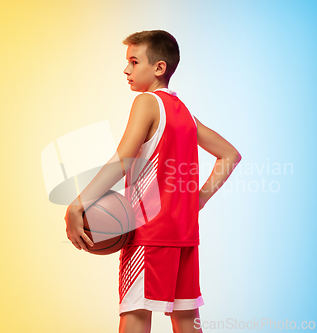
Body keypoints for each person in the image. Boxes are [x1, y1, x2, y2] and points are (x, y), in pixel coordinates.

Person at [65, 30, 242, 333]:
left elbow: (123, 161)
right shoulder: (185, 113)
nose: (126, 70)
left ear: (159, 68)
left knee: (135, 316)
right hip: (185, 236)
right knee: (187, 322)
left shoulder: (146, 102)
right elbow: (230, 155)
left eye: (134, 62)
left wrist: (77, 204)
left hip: (149, 233)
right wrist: (197, 200)